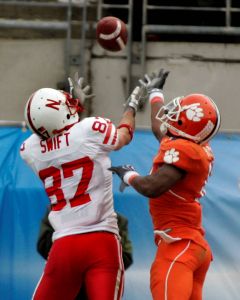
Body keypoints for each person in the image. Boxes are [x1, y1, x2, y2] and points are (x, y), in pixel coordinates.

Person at [20, 73, 144, 300]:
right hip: (102, 241)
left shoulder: (30, 150)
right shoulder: (90, 129)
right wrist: (131, 106)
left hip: (64, 245)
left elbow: (63, 138)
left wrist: (71, 111)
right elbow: (123, 136)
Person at [109, 69, 221, 300]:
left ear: (186, 123)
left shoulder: (185, 150)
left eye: (178, 113)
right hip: (192, 244)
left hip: (178, 244)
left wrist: (128, 174)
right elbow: (159, 127)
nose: (172, 114)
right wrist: (155, 92)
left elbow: (152, 186)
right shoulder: (192, 145)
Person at [37, 208, 133, 299]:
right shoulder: (54, 214)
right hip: (63, 283)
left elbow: (126, 256)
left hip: (96, 287)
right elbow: (43, 245)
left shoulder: (116, 220)